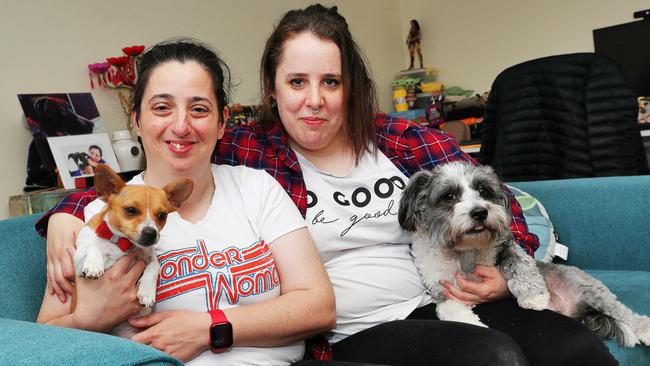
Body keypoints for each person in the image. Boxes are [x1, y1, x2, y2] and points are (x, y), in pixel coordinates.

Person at [39, 4, 618, 366]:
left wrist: (504, 273)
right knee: (494, 357)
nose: (313, 100)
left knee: (576, 349)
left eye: (330, 82)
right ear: (271, 90)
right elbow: (166, 167)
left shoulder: (401, 140)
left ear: (351, 87)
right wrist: (67, 213)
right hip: (349, 330)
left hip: (439, 299)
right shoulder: (252, 149)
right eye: (296, 81)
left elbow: (495, 199)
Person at [36, 40, 335, 365]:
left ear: (222, 123)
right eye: (162, 108)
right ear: (136, 120)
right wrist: (89, 319)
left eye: (199, 109)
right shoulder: (101, 222)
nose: (181, 126)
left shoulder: (257, 189)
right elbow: (39, 343)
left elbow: (318, 306)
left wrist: (209, 327)